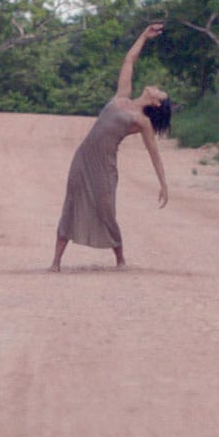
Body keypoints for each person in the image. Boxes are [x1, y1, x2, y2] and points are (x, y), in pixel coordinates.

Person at [50, 22, 172, 272]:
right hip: (83, 158)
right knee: (71, 204)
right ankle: (55, 263)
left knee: (105, 209)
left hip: (104, 166)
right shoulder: (122, 96)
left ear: (157, 104)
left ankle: (120, 259)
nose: (157, 88)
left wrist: (163, 185)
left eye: (160, 92)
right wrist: (144, 36)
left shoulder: (142, 121)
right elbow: (129, 60)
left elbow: (154, 155)